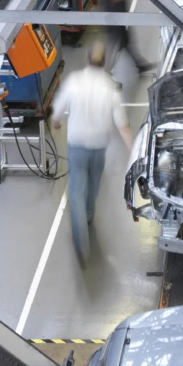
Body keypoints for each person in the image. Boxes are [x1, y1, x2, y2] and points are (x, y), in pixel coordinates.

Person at [52, 42, 134, 263]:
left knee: (76, 190)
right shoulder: (110, 88)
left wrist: (57, 122)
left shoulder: (74, 82)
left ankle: (81, 242)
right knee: (94, 185)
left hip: (77, 145)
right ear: (104, 63)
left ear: (87, 59)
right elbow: (122, 125)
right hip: (99, 147)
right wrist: (135, 152)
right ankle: (88, 217)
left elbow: (57, 110)